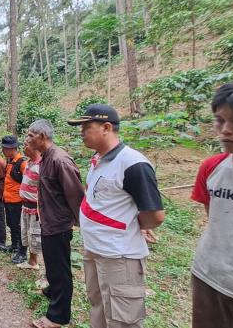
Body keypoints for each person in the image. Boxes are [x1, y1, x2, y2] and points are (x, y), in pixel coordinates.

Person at [67, 105, 165, 328]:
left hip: (119, 255)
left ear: (107, 127)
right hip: (95, 249)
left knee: (122, 319)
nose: (81, 132)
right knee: (98, 306)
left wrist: (136, 224)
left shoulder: (133, 164)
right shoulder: (98, 160)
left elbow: (155, 215)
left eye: (86, 127)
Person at [190, 80, 233, 328]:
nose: (225, 130)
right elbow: (216, 220)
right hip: (209, 277)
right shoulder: (211, 168)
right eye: (220, 120)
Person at [27, 119, 85, 328]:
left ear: (42, 136)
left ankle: (58, 316)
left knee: (60, 270)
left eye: (30, 135)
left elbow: (77, 196)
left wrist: (82, 225)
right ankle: (52, 292)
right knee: (52, 264)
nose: (27, 139)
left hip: (59, 225)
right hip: (48, 221)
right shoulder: (45, 158)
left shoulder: (60, 160)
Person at [1, 135, 28, 263]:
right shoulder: (9, 161)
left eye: (6, 149)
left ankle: (22, 253)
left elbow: (27, 182)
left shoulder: (22, 163)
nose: (4, 151)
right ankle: (13, 245)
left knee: (19, 226)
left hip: (17, 201)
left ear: (14, 148)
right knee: (11, 224)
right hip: (8, 200)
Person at [17, 139, 41, 270]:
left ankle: (35, 262)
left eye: (26, 145)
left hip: (35, 207)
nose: (24, 148)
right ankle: (32, 261)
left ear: (35, 147)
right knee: (27, 233)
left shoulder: (41, 165)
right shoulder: (29, 163)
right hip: (25, 205)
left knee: (35, 235)